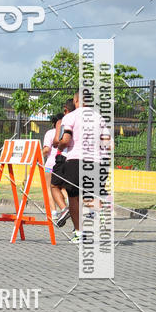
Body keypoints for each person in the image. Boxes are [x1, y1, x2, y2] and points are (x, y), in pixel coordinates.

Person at [57, 90, 111, 242]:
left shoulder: (70, 116)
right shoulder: (99, 117)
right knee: (90, 194)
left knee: (74, 197)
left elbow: (66, 139)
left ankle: (79, 233)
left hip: (76, 159)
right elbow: (107, 143)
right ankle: (99, 216)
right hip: (96, 161)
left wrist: (60, 147)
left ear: (76, 101)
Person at [50, 98, 74, 226]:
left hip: (63, 157)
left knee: (54, 186)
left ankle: (63, 208)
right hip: (78, 158)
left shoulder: (62, 121)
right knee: (74, 191)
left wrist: (58, 145)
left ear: (66, 109)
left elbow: (56, 141)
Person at [43, 112, 63, 216]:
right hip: (63, 164)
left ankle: (54, 212)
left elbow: (47, 149)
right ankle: (67, 206)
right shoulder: (67, 132)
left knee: (48, 188)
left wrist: (38, 154)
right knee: (63, 188)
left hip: (50, 166)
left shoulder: (50, 133)